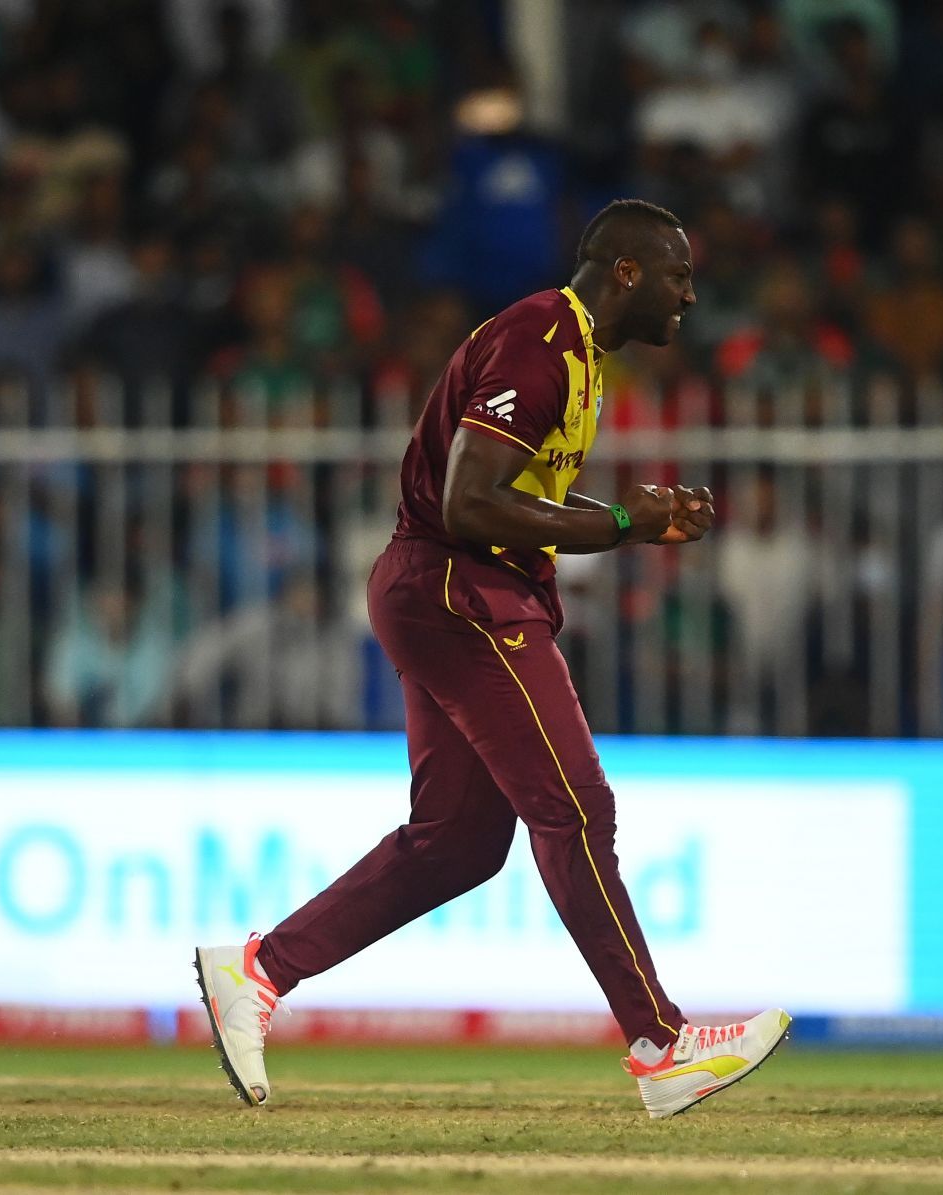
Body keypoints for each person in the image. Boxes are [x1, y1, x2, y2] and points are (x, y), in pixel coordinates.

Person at [194, 200, 789, 1120]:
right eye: (676, 275)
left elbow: (505, 488)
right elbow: (472, 502)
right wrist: (621, 522)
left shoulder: (575, 353)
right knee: (575, 805)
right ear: (625, 272)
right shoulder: (545, 336)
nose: (690, 294)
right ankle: (662, 1043)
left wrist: (628, 521)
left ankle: (260, 968)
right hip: (460, 587)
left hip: (451, 588)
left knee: (462, 842)